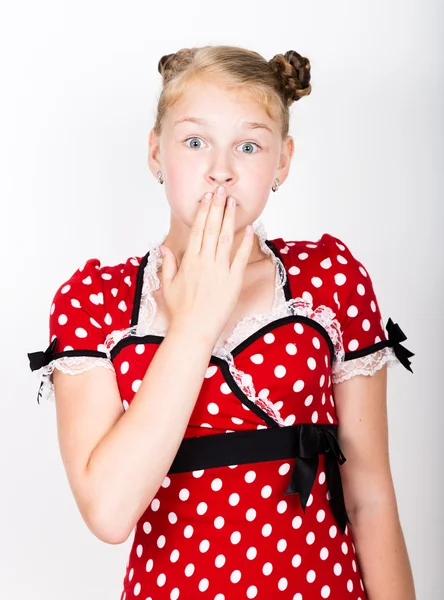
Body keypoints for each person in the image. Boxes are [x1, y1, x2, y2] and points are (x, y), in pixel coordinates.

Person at [28, 45, 416, 600]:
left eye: (249, 145)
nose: (221, 170)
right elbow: (110, 512)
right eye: (194, 141)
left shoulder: (329, 281)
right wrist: (194, 324)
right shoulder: (95, 303)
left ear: (282, 160)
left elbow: (370, 494)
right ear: (155, 152)